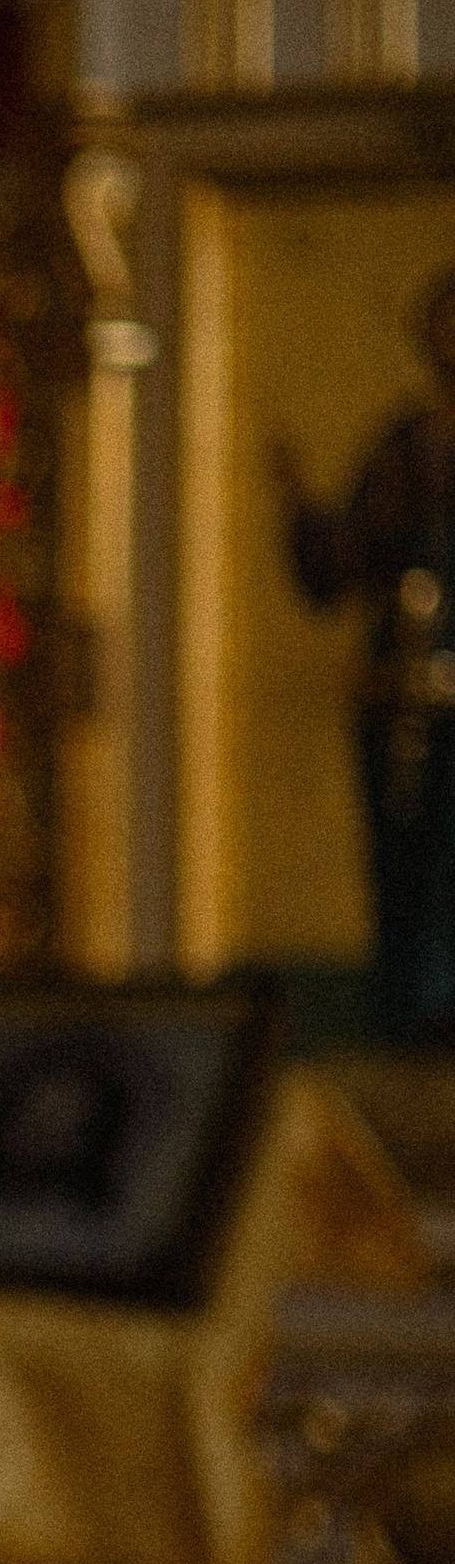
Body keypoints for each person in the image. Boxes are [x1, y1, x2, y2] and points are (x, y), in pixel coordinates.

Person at [280, 260, 455, 1042]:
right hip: (402, 694)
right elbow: (339, 562)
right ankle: (413, 1012)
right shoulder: (406, 443)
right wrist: (296, 507)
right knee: (408, 857)